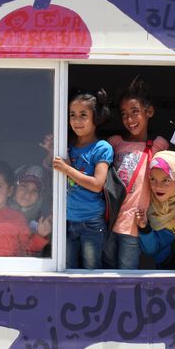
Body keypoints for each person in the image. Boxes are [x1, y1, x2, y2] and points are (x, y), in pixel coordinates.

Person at [103, 77, 168, 269]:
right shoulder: (114, 142)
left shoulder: (158, 145)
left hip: (132, 228)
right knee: (103, 272)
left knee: (126, 278)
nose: (129, 119)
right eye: (124, 114)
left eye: (135, 112)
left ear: (149, 112)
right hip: (107, 222)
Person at [52, 90, 113, 269]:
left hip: (91, 222)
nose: (76, 120)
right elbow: (57, 174)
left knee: (91, 271)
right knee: (68, 269)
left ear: (96, 118)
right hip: (68, 220)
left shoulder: (102, 147)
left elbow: (97, 185)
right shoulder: (67, 146)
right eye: (72, 115)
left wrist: (67, 168)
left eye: (83, 115)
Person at [133, 150, 175, 270]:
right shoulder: (147, 204)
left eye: (166, 180)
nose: (158, 186)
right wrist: (144, 228)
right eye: (152, 179)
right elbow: (151, 249)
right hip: (166, 270)